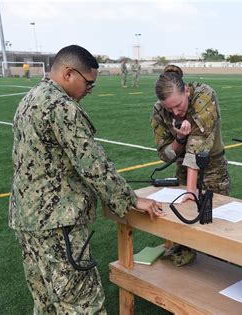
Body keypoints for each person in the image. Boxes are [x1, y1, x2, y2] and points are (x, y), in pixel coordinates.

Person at [9, 45, 165, 314]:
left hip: (27, 219)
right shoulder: (61, 107)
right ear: (69, 74)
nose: (90, 90)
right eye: (89, 83)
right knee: (82, 304)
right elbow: (93, 165)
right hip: (57, 222)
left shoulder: (32, 97)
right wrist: (130, 199)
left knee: (46, 302)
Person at [151, 65, 230, 266]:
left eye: (178, 105)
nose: (175, 112)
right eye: (170, 109)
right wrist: (178, 137)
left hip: (212, 167)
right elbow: (165, 154)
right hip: (183, 167)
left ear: (186, 90)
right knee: (184, 223)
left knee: (213, 222)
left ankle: (216, 267)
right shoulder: (160, 110)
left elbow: (198, 144)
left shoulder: (204, 96)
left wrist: (191, 191)